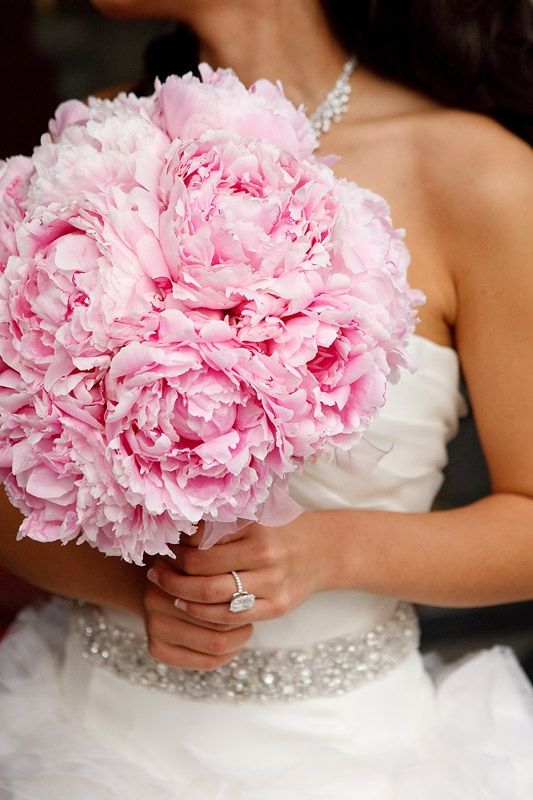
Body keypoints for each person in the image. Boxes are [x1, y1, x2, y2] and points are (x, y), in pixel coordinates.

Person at [1, 1, 533, 797]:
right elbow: (13, 499)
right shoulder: (89, 151)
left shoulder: (476, 174)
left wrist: (331, 553)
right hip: (84, 734)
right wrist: (141, 590)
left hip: (354, 759)